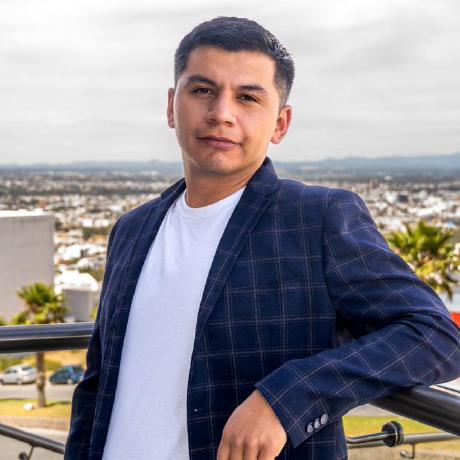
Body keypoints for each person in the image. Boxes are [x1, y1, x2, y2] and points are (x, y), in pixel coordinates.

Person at [65, 16, 460, 460]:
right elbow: (97, 386)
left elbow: (434, 335)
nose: (221, 113)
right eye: (203, 90)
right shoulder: (132, 229)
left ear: (280, 124)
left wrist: (287, 398)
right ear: (172, 106)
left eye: (248, 97)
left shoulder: (317, 219)